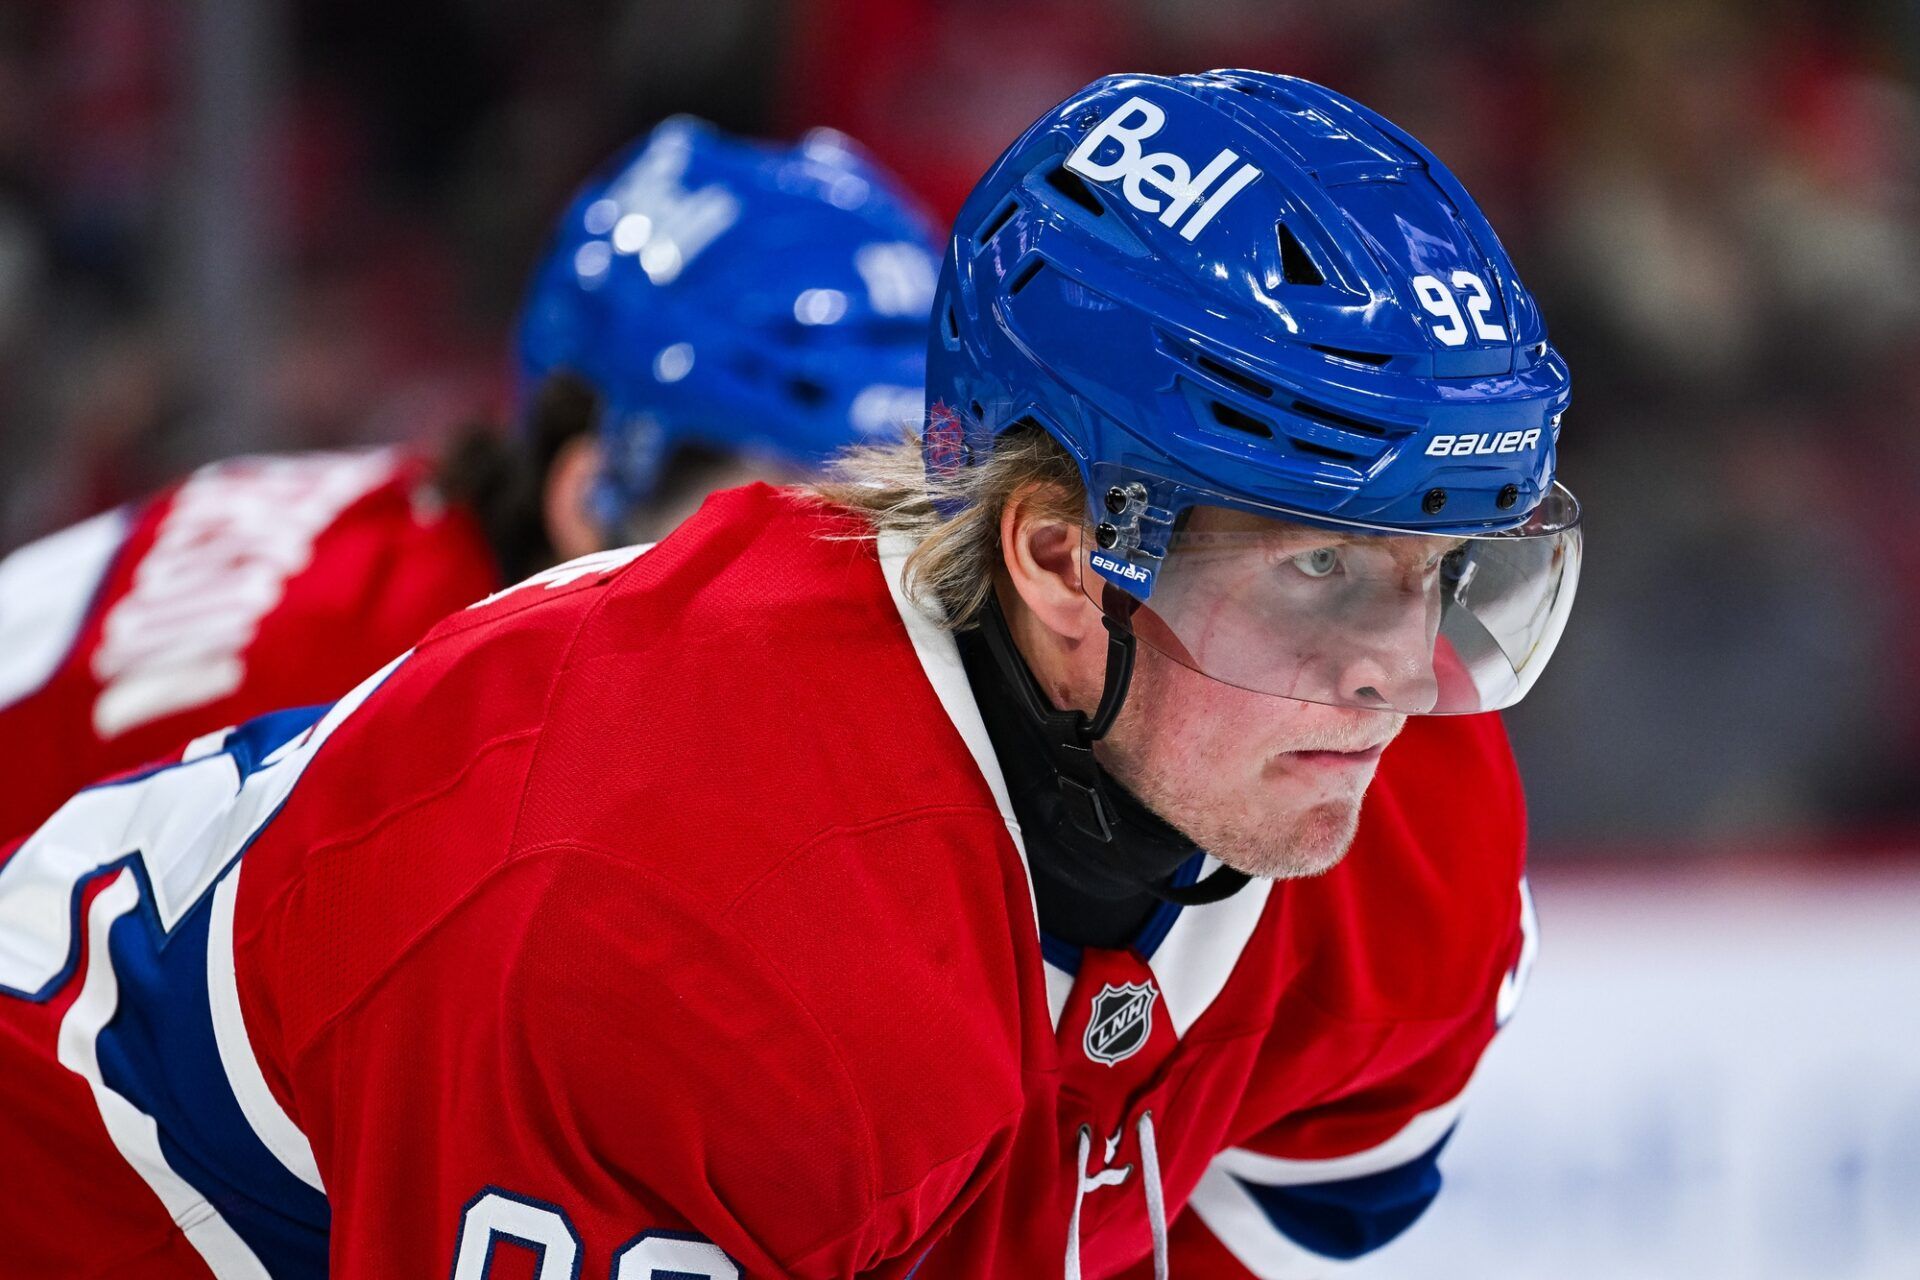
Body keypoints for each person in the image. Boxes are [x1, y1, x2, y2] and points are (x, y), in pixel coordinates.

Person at [0, 71, 1580, 1278]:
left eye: (1441, 567)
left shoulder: (1402, 816)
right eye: (1315, 565)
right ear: (1053, 555)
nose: (1392, 676)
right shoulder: (675, 909)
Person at [0, 117, 937, 838]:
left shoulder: (413, 541)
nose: (863, 584)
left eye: (909, 515)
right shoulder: (398, 741)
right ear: (593, 493)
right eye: (798, 523)